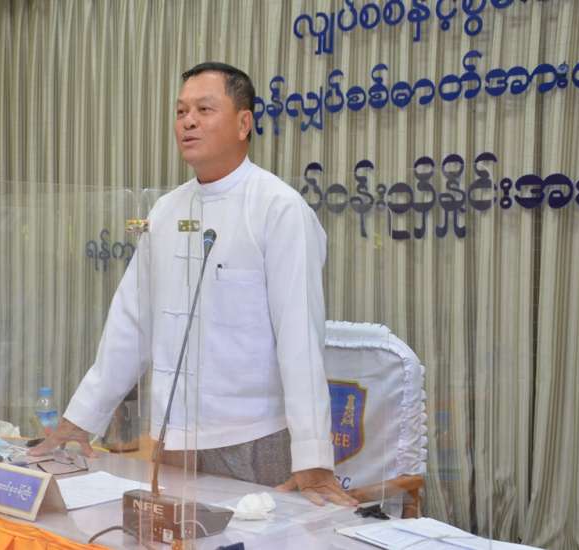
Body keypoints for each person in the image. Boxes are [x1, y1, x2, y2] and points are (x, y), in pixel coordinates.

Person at [31, 62, 357, 507]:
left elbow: (300, 339)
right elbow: (132, 322)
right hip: (174, 437)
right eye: (181, 111)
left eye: (204, 109)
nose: (188, 121)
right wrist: (81, 418)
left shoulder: (279, 208)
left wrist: (314, 458)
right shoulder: (165, 210)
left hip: (254, 438)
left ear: (243, 123)